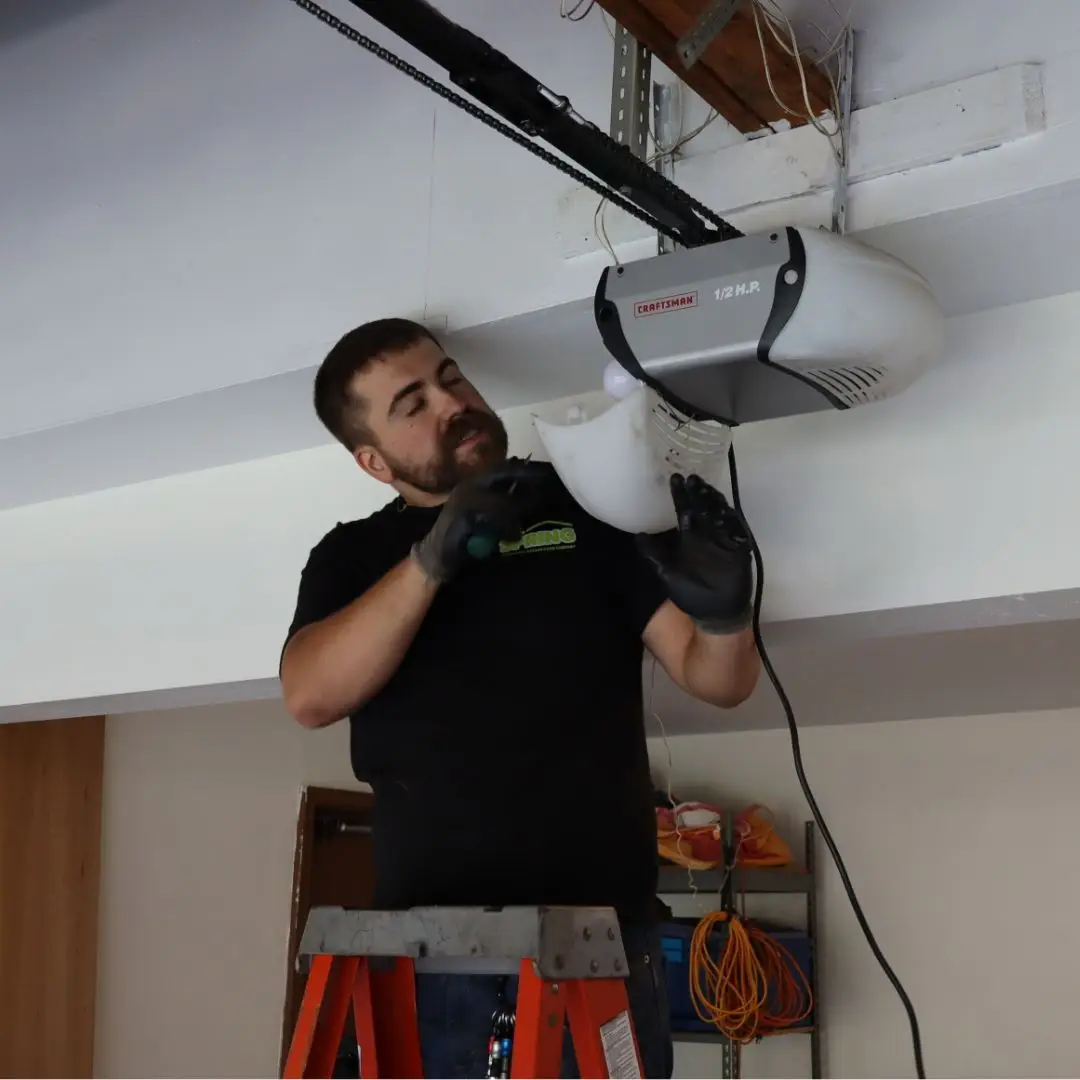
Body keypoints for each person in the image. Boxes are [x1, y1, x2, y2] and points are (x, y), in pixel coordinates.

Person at [280, 318, 761, 1079]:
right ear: (374, 461)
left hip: (605, 943)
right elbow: (308, 693)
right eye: (413, 403)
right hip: (430, 951)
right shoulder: (352, 557)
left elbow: (719, 680)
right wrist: (433, 559)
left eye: (451, 377)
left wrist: (728, 614)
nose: (451, 402)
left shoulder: (590, 512)